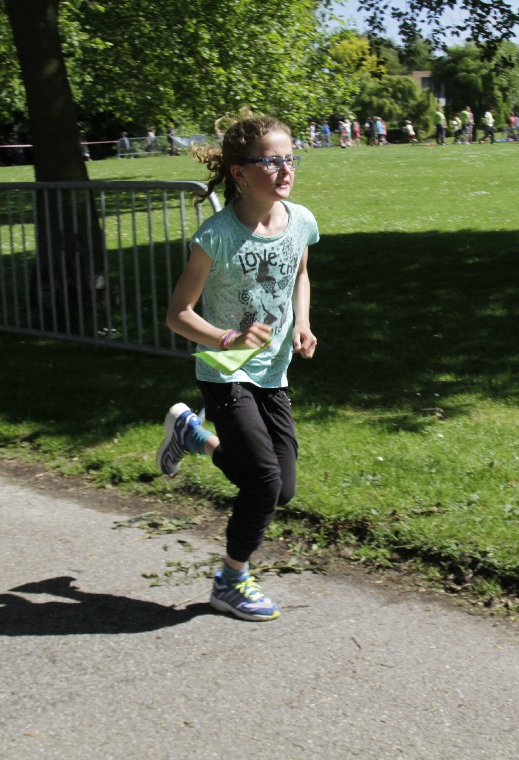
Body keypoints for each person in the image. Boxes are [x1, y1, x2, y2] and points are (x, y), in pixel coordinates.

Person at [158, 114, 319, 622]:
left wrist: (302, 323)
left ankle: (192, 434)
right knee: (263, 483)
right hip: (225, 370)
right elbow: (178, 314)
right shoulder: (217, 236)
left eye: (290, 158)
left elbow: (300, 274)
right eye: (272, 161)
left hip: (273, 370)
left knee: (281, 489)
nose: (285, 169)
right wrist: (228, 338)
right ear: (240, 173)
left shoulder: (301, 220)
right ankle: (230, 580)